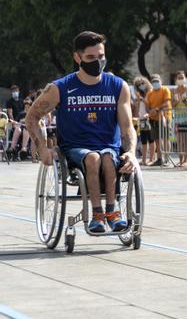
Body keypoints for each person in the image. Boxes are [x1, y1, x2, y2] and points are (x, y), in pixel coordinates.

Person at [25, 31, 137, 233]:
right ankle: (96, 215)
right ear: (78, 58)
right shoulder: (60, 88)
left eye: (101, 57)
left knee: (108, 159)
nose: (97, 62)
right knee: (93, 158)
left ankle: (112, 212)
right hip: (75, 148)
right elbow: (32, 116)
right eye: (90, 57)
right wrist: (42, 148)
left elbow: (127, 126)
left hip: (109, 147)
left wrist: (131, 152)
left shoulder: (118, 87)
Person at [145, 74, 171, 166]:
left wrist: (156, 110)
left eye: (157, 81)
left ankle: (167, 158)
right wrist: (150, 111)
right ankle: (160, 158)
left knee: (165, 138)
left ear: (161, 81)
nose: (155, 83)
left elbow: (167, 103)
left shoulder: (165, 90)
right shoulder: (150, 93)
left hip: (164, 118)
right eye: (153, 81)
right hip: (153, 119)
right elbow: (147, 106)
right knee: (157, 139)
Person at [171, 70, 187, 167]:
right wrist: (176, 102)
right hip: (178, 118)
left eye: (182, 78)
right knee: (180, 139)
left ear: (185, 79)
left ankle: (185, 160)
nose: (180, 79)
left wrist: (184, 99)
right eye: (179, 78)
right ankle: (180, 160)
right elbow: (172, 105)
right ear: (176, 79)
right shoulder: (174, 90)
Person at [132, 76, 156, 166]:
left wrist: (143, 100)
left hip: (150, 117)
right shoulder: (139, 93)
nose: (141, 86)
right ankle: (144, 159)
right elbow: (136, 106)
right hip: (141, 118)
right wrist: (137, 100)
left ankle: (152, 158)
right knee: (143, 139)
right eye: (138, 85)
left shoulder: (150, 92)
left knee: (151, 139)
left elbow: (150, 106)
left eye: (142, 84)